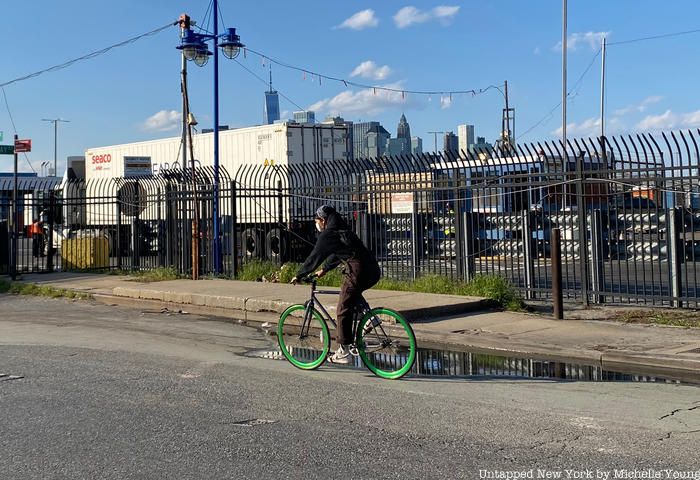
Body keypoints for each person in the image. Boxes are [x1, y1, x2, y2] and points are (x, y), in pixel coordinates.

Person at [291, 205, 381, 365]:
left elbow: (314, 257)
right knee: (353, 293)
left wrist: (299, 275)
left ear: (323, 220)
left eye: (317, 220)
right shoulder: (342, 230)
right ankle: (369, 319)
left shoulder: (327, 235)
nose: (316, 223)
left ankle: (344, 351)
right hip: (372, 269)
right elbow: (336, 254)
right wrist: (324, 270)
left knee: (342, 308)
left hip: (357, 270)